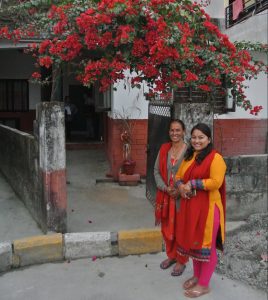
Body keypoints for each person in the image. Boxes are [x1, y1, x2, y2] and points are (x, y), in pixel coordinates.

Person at [175, 123, 226, 298]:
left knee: (207, 247)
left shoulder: (215, 158)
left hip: (209, 210)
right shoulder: (190, 156)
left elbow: (216, 182)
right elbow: (178, 176)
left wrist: (194, 184)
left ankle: (204, 284)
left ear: (209, 139)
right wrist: (181, 186)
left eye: (201, 137)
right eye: (194, 137)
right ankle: (197, 276)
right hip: (191, 208)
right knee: (194, 245)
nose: (197, 141)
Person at [154, 119, 188, 276]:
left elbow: (193, 174)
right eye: (172, 130)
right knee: (167, 228)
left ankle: (181, 261)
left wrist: (179, 190)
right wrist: (166, 188)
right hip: (166, 197)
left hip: (183, 199)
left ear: (184, 132)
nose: (175, 133)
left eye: (178, 130)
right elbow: (155, 172)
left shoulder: (190, 151)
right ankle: (171, 256)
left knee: (181, 230)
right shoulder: (164, 149)